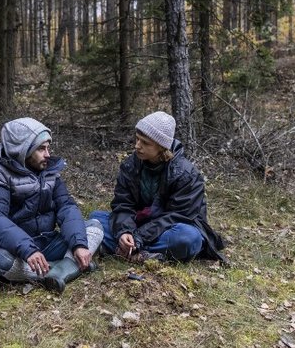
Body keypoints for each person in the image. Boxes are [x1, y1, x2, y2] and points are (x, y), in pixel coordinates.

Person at [0, 117, 103, 292]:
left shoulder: (49, 171)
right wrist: (28, 250)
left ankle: (56, 271)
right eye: (41, 148)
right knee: (0, 260)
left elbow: (66, 207)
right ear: (23, 150)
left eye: (48, 147)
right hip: (20, 251)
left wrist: (79, 245)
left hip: (50, 242)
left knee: (94, 227)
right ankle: (70, 267)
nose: (48, 154)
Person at [91, 111, 227, 264]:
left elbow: (177, 217)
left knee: (189, 238)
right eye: (137, 139)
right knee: (96, 219)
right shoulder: (130, 166)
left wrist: (139, 237)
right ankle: (144, 254)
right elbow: (123, 205)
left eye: (145, 143)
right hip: (139, 224)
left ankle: (125, 251)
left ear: (162, 147)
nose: (137, 146)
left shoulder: (187, 174)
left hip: (168, 229)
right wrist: (125, 231)